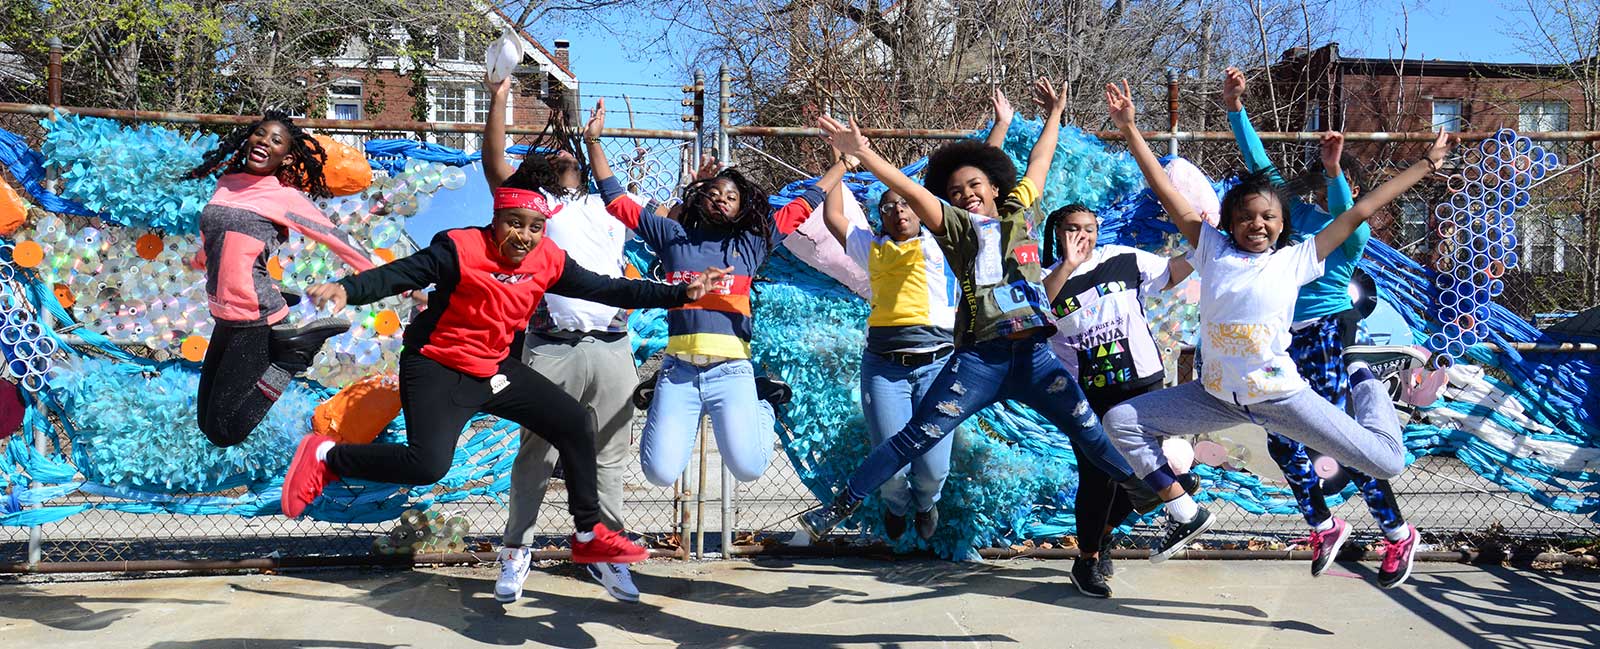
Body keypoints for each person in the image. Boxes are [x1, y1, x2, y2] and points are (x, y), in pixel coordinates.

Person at [278, 177, 733, 578]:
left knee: (574, 421)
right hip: (437, 364)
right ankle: (330, 458)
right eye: (515, 223)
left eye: (535, 227)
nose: (525, 236)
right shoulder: (460, 248)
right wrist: (347, 289)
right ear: (496, 220)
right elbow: (400, 275)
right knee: (427, 465)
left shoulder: (548, 259)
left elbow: (608, 287)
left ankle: (589, 532)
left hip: (492, 367)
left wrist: (680, 293)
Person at [1098, 79, 1454, 567]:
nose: (1257, 225)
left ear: (1282, 224)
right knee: (1121, 421)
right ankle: (1185, 511)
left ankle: (1368, 388)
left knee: (1386, 460)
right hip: (1218, 397)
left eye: (1267, 217)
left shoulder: (1297, 258)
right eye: (1246, 217)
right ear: (1228, 222)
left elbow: (1363, 210)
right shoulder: (1211, 247)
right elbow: (1168, 192)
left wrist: (1426, 164)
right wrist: (1132, 129)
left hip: (1281, 397)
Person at [801, 78, 1163, 544]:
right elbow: (908, 189)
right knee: (916, 438)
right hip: (980, 359)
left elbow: (1040, 161)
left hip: (1034, 355)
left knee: (1089, 430)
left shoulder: (1018, 210)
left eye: (975, 185)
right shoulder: (952, 227)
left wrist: (1054, 114)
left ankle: (1153, 495)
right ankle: (842, 504)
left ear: (994, 186)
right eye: (956, 190)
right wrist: (862, 155)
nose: (967, 193)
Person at [1223, 66, 1424, 587]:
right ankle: (1324, 523)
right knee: (1280, 442)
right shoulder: (1285, 219)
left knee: (1341, 443)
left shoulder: (1348, 234)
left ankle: (1398, 533)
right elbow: (1258, 166)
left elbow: (1353, 213)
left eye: (1335, 186)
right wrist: (1236, 107)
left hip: (1325, 336)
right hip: (1281, 342)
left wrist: (1336, 171)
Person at [586, 105, 851, 489]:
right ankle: (659, 393)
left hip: (733, 371)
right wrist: (594, 140)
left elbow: (804, 204)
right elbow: (614, 198)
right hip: (680, 371)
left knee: (749, 469)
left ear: (742, 206)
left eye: (731, 196)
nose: (723, 200)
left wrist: (841, 166)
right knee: (658, 473)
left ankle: (763, 400)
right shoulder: (672, 237)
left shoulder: (751, 243)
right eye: (714, 193)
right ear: (699, 199)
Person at [478, 77, 644, 603]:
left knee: (610, 456)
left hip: (615, 346)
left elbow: (673, 227)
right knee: (538, 452)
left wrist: (698, 188)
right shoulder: (539, 210)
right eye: (551, 157)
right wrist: (499, 98)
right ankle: (516, 552)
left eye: (567, 154)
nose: (559, 158)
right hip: (552, 347)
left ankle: (605, 553)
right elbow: (495, 167)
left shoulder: (613, 207)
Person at [185, 111, 379, 448]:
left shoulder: (283, 197)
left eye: (276, 140)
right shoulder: (226, 184)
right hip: (225, 315)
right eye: (260, 134)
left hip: (255, 316)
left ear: (286, 156)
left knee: (224, 431)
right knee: (206, 422)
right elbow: (218, 237)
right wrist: (201, 260)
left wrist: (384, 276)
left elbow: (334, 237)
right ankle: (285, 324)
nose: (265, 142)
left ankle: (290, 360)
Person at [1041, 203, 1194, 597]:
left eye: (1089, 229)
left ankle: (1102, 538)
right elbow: (1039, 311)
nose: (1082, 237)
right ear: (1057, 233)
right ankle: (1088, 560)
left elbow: (1173, 272)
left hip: (1142, 385)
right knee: (1099, 479)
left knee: (1146, 474)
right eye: (1073, 229)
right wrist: (1067, 266)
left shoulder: (1121, 259)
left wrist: (1204, 245)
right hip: (1089, 395)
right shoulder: (1046, 278)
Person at [821, 174, 960, 542]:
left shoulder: (942, 245)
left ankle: (926, 502)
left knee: (932, 468)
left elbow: (965, 198)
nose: (899, 212)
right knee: (891, 467)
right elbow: (833, 215)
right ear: (879, 216)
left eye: (907, 204)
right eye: (888, 207)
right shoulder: (871, 247)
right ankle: (896, 506)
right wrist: (840, 162)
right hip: (884, 369)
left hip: (937, 367)